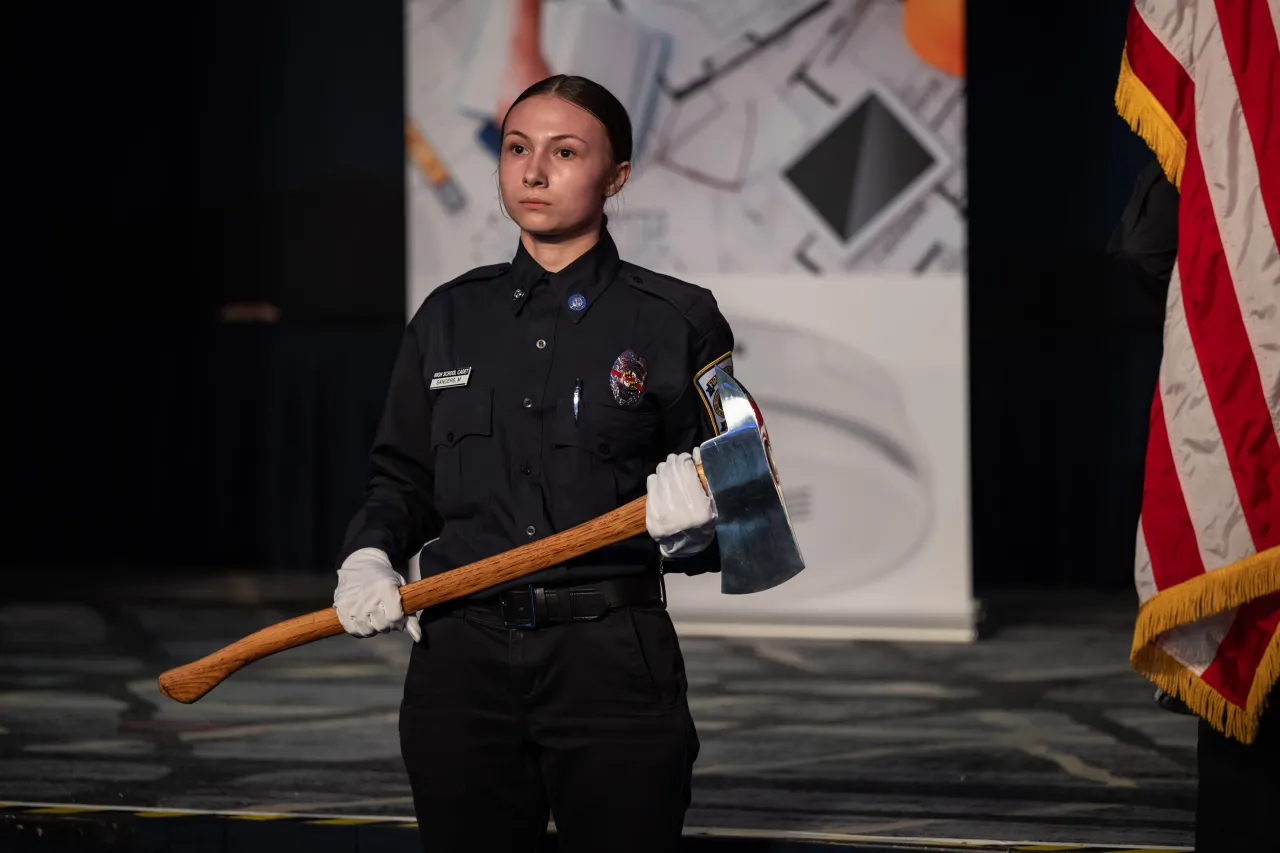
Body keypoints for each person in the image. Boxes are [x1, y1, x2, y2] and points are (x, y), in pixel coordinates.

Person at [333, 74, 735, 852]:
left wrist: (699, 526)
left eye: (565, 151)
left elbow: (748, 504)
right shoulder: (448, 316)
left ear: (616, 176)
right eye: (517, 148)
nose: (534, 170)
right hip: (460, 662)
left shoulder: (675, 319)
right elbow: (402, 478)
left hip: (611, 660)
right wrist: (369, 552)